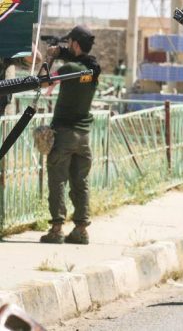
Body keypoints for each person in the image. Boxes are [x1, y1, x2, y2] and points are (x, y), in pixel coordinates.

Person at [40, 25, 101, 245]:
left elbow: (43, 81)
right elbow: (78, 63)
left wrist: (50, 57)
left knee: (57, 181)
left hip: (64, 133)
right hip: (83, 136)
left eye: (69, 43)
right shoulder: (92, 69)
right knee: (80, 182)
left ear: (74, 43)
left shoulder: (69, 68)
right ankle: (81, 230)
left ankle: (57, 229)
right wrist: (62, 54)